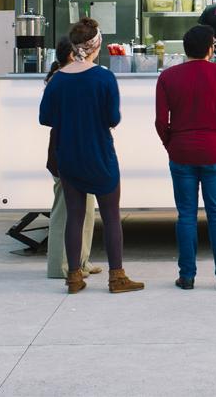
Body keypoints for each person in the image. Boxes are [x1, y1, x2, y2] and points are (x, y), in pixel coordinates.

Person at [39, 17, 144, 294]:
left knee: (74, 216)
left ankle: (74, 277)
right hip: (100, 155)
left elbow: (45, 118)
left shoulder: (58, 79)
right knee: (111, 216)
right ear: (97, 44)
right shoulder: (104, 77)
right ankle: (117, 277)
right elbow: (113, 118)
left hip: (68, 155)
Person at [155, 25, 216, 291]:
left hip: (181, 152)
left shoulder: (167, 77)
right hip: (215, 151)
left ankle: (187, 276)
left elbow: (160, 121)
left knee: (186, 216)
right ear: (210, 49)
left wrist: (170, 143)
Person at [45, 36, 100, 280]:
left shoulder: (71, 78)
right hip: (65, 152)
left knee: (87, 211)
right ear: (71, 55)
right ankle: (59, 266)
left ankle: (81, 261)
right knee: (64, 212)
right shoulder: (61, 80)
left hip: (79, 151)